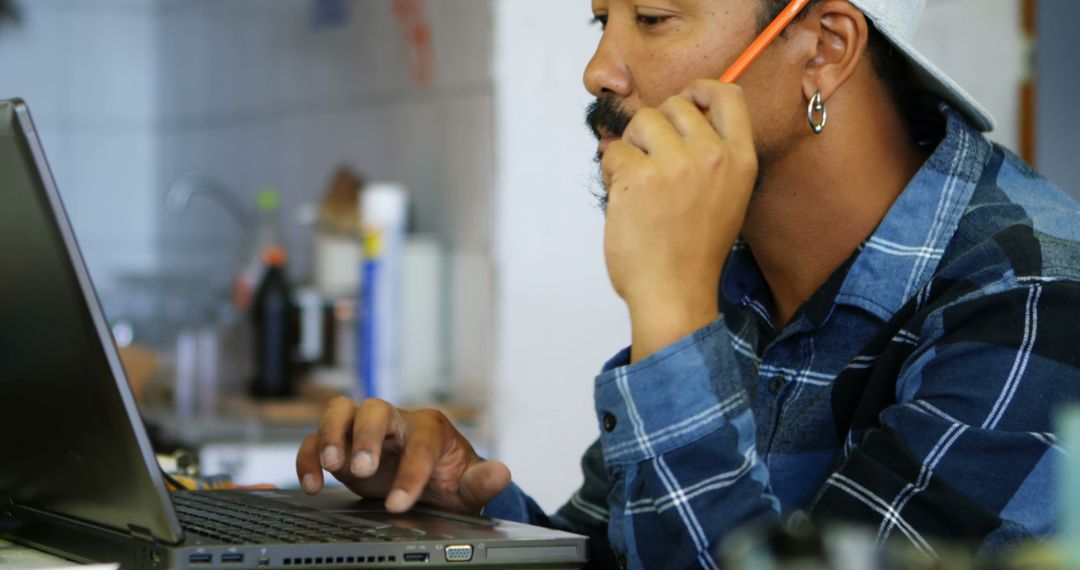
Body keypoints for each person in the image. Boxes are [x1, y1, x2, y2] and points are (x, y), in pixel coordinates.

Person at [295, 0, 1080, 567]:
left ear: (824, 46)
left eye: (654, 18)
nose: (599, 68)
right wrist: (472, 514)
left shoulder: (1034, 297)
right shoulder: (742, 270)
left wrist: (670, 304)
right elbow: (640, 546)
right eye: (603, 19)